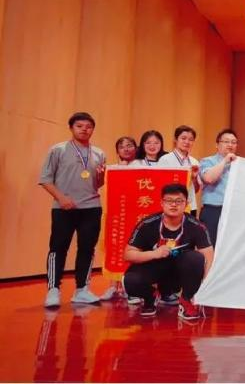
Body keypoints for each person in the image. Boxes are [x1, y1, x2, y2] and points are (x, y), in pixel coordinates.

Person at [39, 112, 106, 307]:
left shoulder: (99, 153)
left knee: (87, 248)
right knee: (58, 248)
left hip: (91, 207)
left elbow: (97, 184)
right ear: (71, 128)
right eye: (79, 126)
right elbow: (45, 179)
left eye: (88, 126)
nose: (84, 129)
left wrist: (101, 176)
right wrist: (61, 198)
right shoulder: (58, 150)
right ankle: (53, 290)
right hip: (64, 208)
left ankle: (82, 290)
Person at [122, 184, 213, 319]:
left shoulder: (196, 226)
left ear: (186, 203)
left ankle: (186, 300)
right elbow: (128, 254)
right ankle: (151, 297)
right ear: (162, 203)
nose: (174, 205)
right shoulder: (147, 224)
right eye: (169, 200)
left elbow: (209, 257)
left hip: (178, 273)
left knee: (196, 258)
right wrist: (154, 253)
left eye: (179, 201)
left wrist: (204, 289)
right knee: (130, 280)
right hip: (155, 267)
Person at [100, 136, 139, 302]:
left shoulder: (142, 166)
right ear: (117, 151)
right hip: (118, 214)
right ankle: (112, 286)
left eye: (129, 145)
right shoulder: (112, 169)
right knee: (115, 247)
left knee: (134, 250)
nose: (126, 149)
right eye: (122, 146)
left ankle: (129, 286)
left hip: (136, 214)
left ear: (136, 148)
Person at [199, 129, 238, 248]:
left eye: (233, 142)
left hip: (233, 211)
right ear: (217, 144)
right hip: (213, 210)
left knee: (231, 247)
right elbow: (209, 178)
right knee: (210, 246)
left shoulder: (239, 163)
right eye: (226, 141)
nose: (230, 145)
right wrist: (225, 160)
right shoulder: (207, 161)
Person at [157, 125, 200, 217]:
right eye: (183, 138)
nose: (187, 142)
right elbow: (160, 186)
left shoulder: (194, 162)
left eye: (191, 139)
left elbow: (196, 190)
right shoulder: (165, 159)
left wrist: (194, 178)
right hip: (171, 206)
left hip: (190, 206)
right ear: (175, 140)